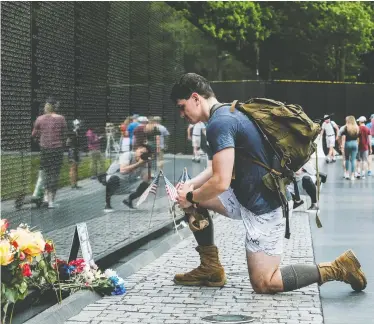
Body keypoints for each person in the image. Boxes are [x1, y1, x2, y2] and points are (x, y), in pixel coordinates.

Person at [170, 73, 366, 294]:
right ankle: (210, 268)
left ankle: (338, 268)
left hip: (264, 207)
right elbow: (219, 167)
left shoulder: (219, 123)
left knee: (264, 283)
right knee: (196, 198)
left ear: (196, 98)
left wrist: (188, 196)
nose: (181, 114)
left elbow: (220, 182)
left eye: (182, 106)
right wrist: (190, 186)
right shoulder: (230, 112)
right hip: (244, 196)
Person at [31, 98, 67, 208]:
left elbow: (34, 134)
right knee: (54, 174)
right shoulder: (61, 118)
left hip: (45, 149)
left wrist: (40, 140)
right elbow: (64, 135)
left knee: (46, 173)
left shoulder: (39, 119)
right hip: (57, 149)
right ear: (55, 107)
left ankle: (46, 198)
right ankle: (51, 201)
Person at [102, 144, 152, 212]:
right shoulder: (128, 155)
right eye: (141, 152)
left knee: (147, 184)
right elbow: (123, 171)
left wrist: (147, 167)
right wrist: (138, 164)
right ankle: (107, 204)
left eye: (144, 154)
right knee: (114, 179)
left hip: (128, 182)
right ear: (137, 150)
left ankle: (128, 200)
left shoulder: (144, 162)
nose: (141, 155)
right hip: (114, 178)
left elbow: (146, 180)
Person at [339, 116, 360, 181]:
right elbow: (358, 137)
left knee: (347, 159)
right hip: (355, 143)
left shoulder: (346, 127)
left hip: (347, 143)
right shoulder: (357, 127)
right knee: (353, 160)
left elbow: (340, 135)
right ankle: (353, 175)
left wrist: (340, 144)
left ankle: (347, 174)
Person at [67, 119, 82, 189]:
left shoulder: (77, 132)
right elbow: (68, 142)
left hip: (76, 151)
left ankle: (75, 184)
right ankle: (73, 184)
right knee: (73, 168)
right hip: (72, 151)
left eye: (79, 125)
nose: (79, 126)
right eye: (77, 125)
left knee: (76, 168)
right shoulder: (72, 132)